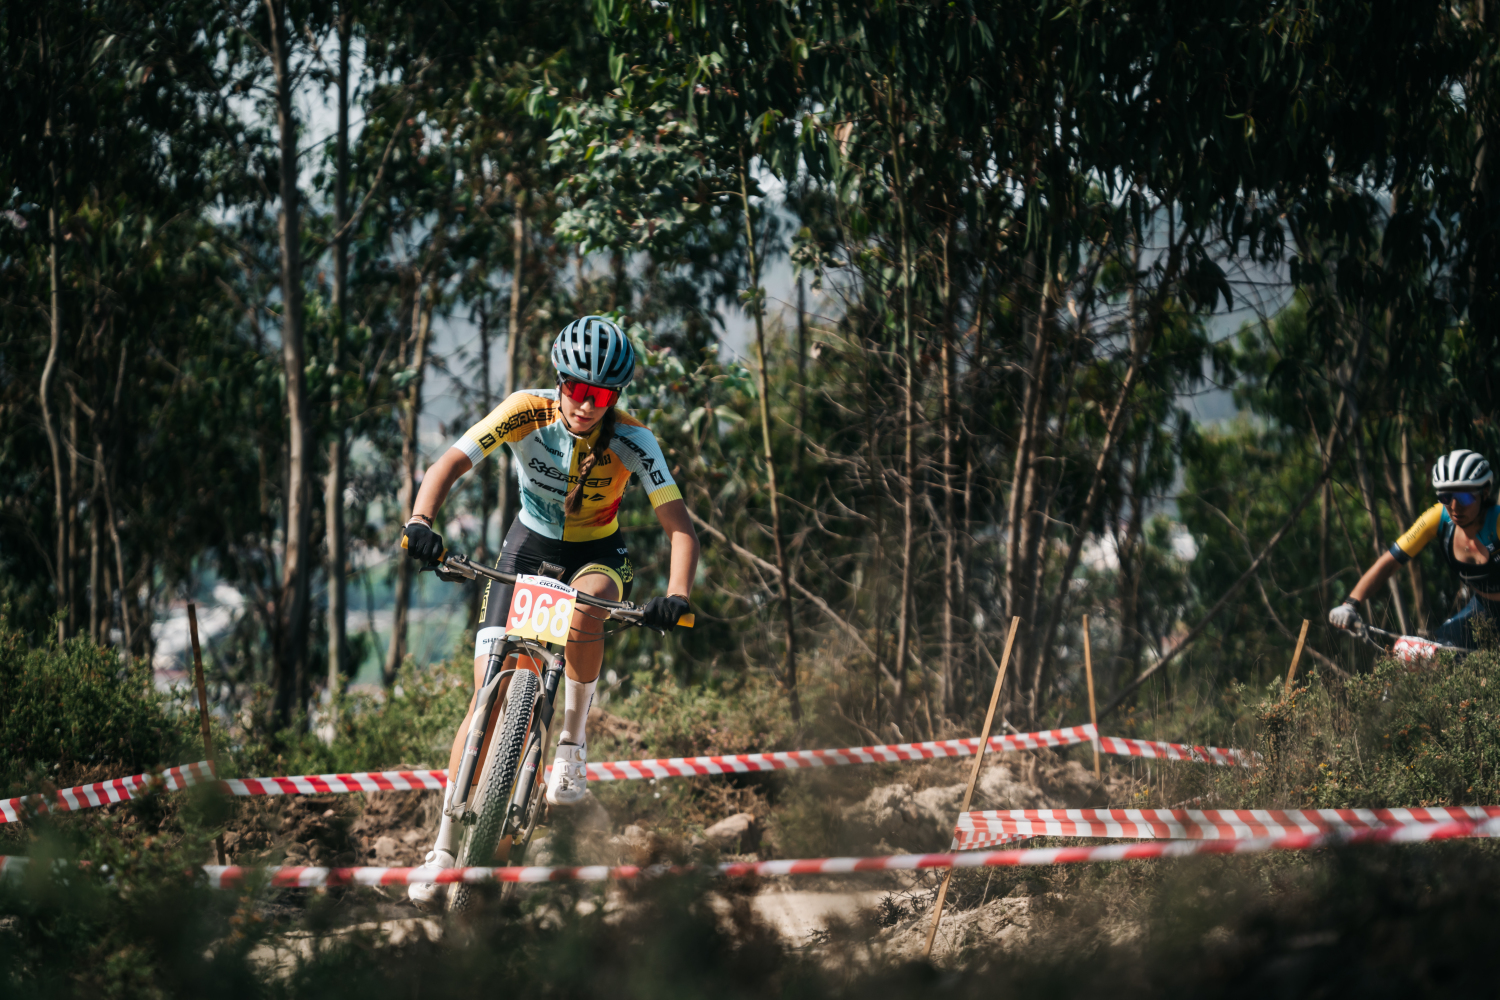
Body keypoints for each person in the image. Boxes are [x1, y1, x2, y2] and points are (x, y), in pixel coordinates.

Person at [399, 315, 700, 908]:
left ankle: (571, 746)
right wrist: (420, 521)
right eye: (576, 390)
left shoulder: (634, 440)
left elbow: (679, 528)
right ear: (559, 381)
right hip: (528, 546)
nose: (585, 405)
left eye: (601, 396)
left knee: (586, 613)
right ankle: (442, 849)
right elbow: (448, 466)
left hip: (597, 553)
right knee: (484, 698)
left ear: (616, 398)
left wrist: (679, 594)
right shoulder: (523, 410)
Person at [1329, 448, 1499, 648]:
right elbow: (1390, 562)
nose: (1454, 506)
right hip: (1483, 608)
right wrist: (1350, 604)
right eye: (1446, 496)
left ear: (1484, 492)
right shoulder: (1438, 519)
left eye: (1464, 498)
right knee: (1432, 655)